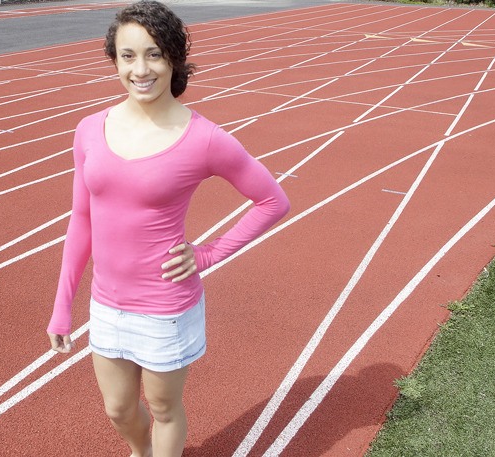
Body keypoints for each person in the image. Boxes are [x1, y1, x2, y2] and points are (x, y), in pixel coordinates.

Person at [46, 1, 290, 456]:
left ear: (174, 58)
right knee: (119, 410)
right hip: (107, 303)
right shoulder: (90, 129)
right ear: (115, 60)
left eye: (154, 54)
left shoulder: (204, 138)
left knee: (163, 409)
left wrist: (209, 254)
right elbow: (81, 218)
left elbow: (273, 201)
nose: (141, 69)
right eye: (128, 56)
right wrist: (63, 306)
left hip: (165, 307)